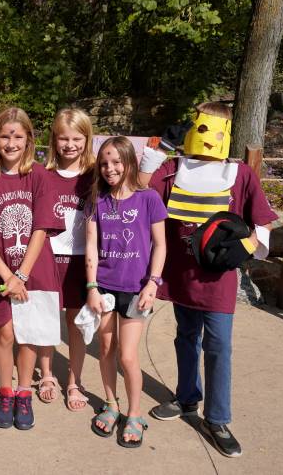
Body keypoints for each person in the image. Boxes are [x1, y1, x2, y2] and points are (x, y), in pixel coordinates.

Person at [140, 102, 277, 457]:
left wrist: (245, 247)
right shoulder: (173, 170)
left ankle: (217, 418)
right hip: (181, 274)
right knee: (185, 337)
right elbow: (141, 194)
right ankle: (186, 398)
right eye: (200, 126)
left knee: (218, 347)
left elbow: (262, 222)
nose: (207, 135)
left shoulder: (240, 174)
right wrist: (161, 149)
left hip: (218, 279)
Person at [0, 107, 63, 430]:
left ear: (28, 139)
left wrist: (21, 274)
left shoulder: (39, 176)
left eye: (18, 136)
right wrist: (7, 275)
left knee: (28, 335)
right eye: (4, 136)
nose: (11, 143)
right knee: (5, 333)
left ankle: (25, 391)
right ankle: (5, 392)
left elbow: (41, 227)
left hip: (33, 270)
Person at [85, 136, 167, 448]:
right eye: (104, 163)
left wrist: (153, 283)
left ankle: (135, 413)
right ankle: (111, 404)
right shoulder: (97, 200)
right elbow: (91, 244)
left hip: (136, 291)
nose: (110, 168)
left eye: (116, 161)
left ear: (129, 162)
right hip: (104, 288)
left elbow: (160, 244)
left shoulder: (149, 199)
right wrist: (92, 287)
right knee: (106, 350)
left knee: (128, 356)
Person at [37, 108, 95, 411]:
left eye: (77, 138)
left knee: (75, 323)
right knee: (47, 320)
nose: (70, 145)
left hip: (80, 262)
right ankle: (46, 374)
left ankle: (74, 380)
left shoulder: (95, 176)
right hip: (47, 259)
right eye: (63, 139)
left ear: (87, 139)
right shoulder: (41, 175)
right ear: (53, 140)